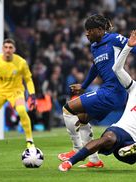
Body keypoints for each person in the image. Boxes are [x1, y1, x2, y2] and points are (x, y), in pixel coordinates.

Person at [58, 14, 136, 168]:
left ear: (100, 30)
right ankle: (94, 161)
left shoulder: (114, 39)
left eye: (90, 30)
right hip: (107, 91)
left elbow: (133, 48)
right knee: (82, 118)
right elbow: (95, 67)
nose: (87, 33)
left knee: (68, 109)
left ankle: (76, 149)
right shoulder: (94, 46)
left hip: (114, 91)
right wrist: (85, 85)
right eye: (86, 31)